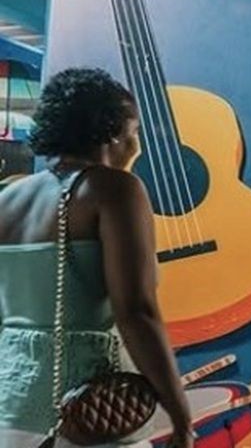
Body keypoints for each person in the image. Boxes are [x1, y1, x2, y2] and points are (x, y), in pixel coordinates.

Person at [0, 69, 193, 447]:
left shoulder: (7, 200)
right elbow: (136, 311)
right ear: (112, 131)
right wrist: (180, 414)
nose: (136, 145)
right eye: (134, 132)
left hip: (11, 407)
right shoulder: (114, 189)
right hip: (88, 409)